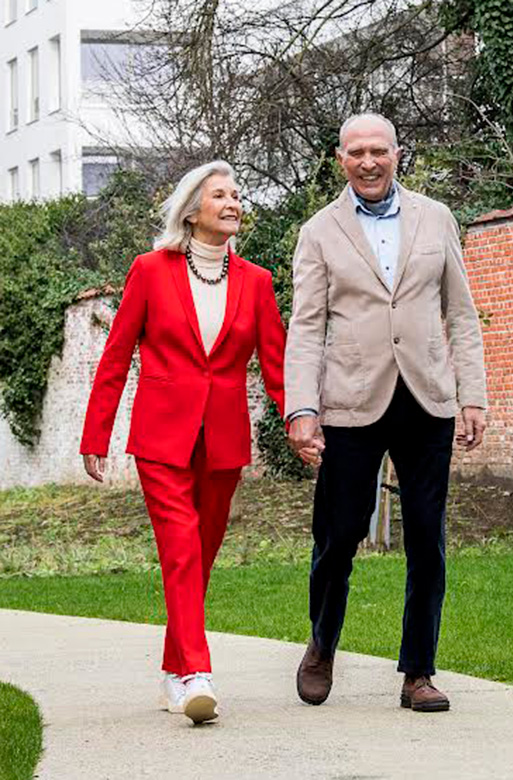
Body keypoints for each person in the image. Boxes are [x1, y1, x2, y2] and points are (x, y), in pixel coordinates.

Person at [285, 113, 487, 712]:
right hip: (350, 400)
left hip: (427, 397)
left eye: (379, 151)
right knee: (338, 535)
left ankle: (418, 671)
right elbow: (306, 327)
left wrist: (471, 393)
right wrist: (302, 407)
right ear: (340, 159)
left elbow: (460, 314)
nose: (368, 162)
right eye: (356, 153)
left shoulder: (436, 217)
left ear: (398, 153)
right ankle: (322, 645)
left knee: (428, 538)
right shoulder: (319, 231)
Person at [80, 161, 288, 724]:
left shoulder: (257, 281)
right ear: (192, 209)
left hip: (223, 439)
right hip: (161, 436)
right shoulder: (150, 271)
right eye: (220, 194)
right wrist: (96, 432)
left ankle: (175, 670)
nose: (233, 202)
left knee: (202, 555)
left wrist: (299, 421)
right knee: (180, 546)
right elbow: (118, 353)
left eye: (237, 194)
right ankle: (198, 673)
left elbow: (276, 364)